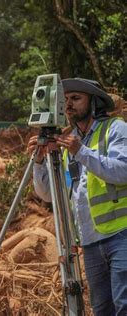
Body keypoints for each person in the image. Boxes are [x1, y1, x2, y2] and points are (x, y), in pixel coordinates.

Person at [28, 78, 127, 315]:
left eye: (76, 98)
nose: (69, 105)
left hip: (121, 235)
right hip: (90, 242)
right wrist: (40, 161)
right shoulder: (68, 142)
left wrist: (80, 151)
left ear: (93, 103)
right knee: (102, 309)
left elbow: (122, 171)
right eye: (66, 100)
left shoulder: (115, 128)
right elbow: (47, 194)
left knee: (124, 305)